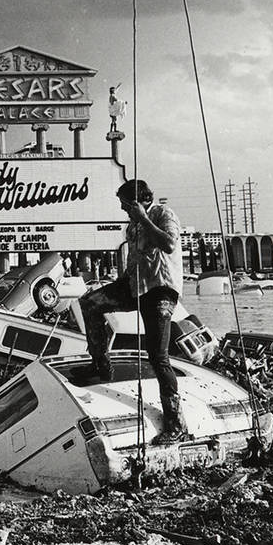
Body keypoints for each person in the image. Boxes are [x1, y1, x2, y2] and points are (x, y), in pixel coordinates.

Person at [78, 179, 186, 444]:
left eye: (126, 205)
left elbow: (169, 244)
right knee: (90, 302)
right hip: (135, 286)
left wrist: (144, 219)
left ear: (139, 200)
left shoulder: (163, 214)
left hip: (160, 289)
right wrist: (119, 282)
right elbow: (135, 261)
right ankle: (101, 365)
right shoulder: (132, 226)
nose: (124, 210)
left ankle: (176, 422)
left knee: (157, 355)